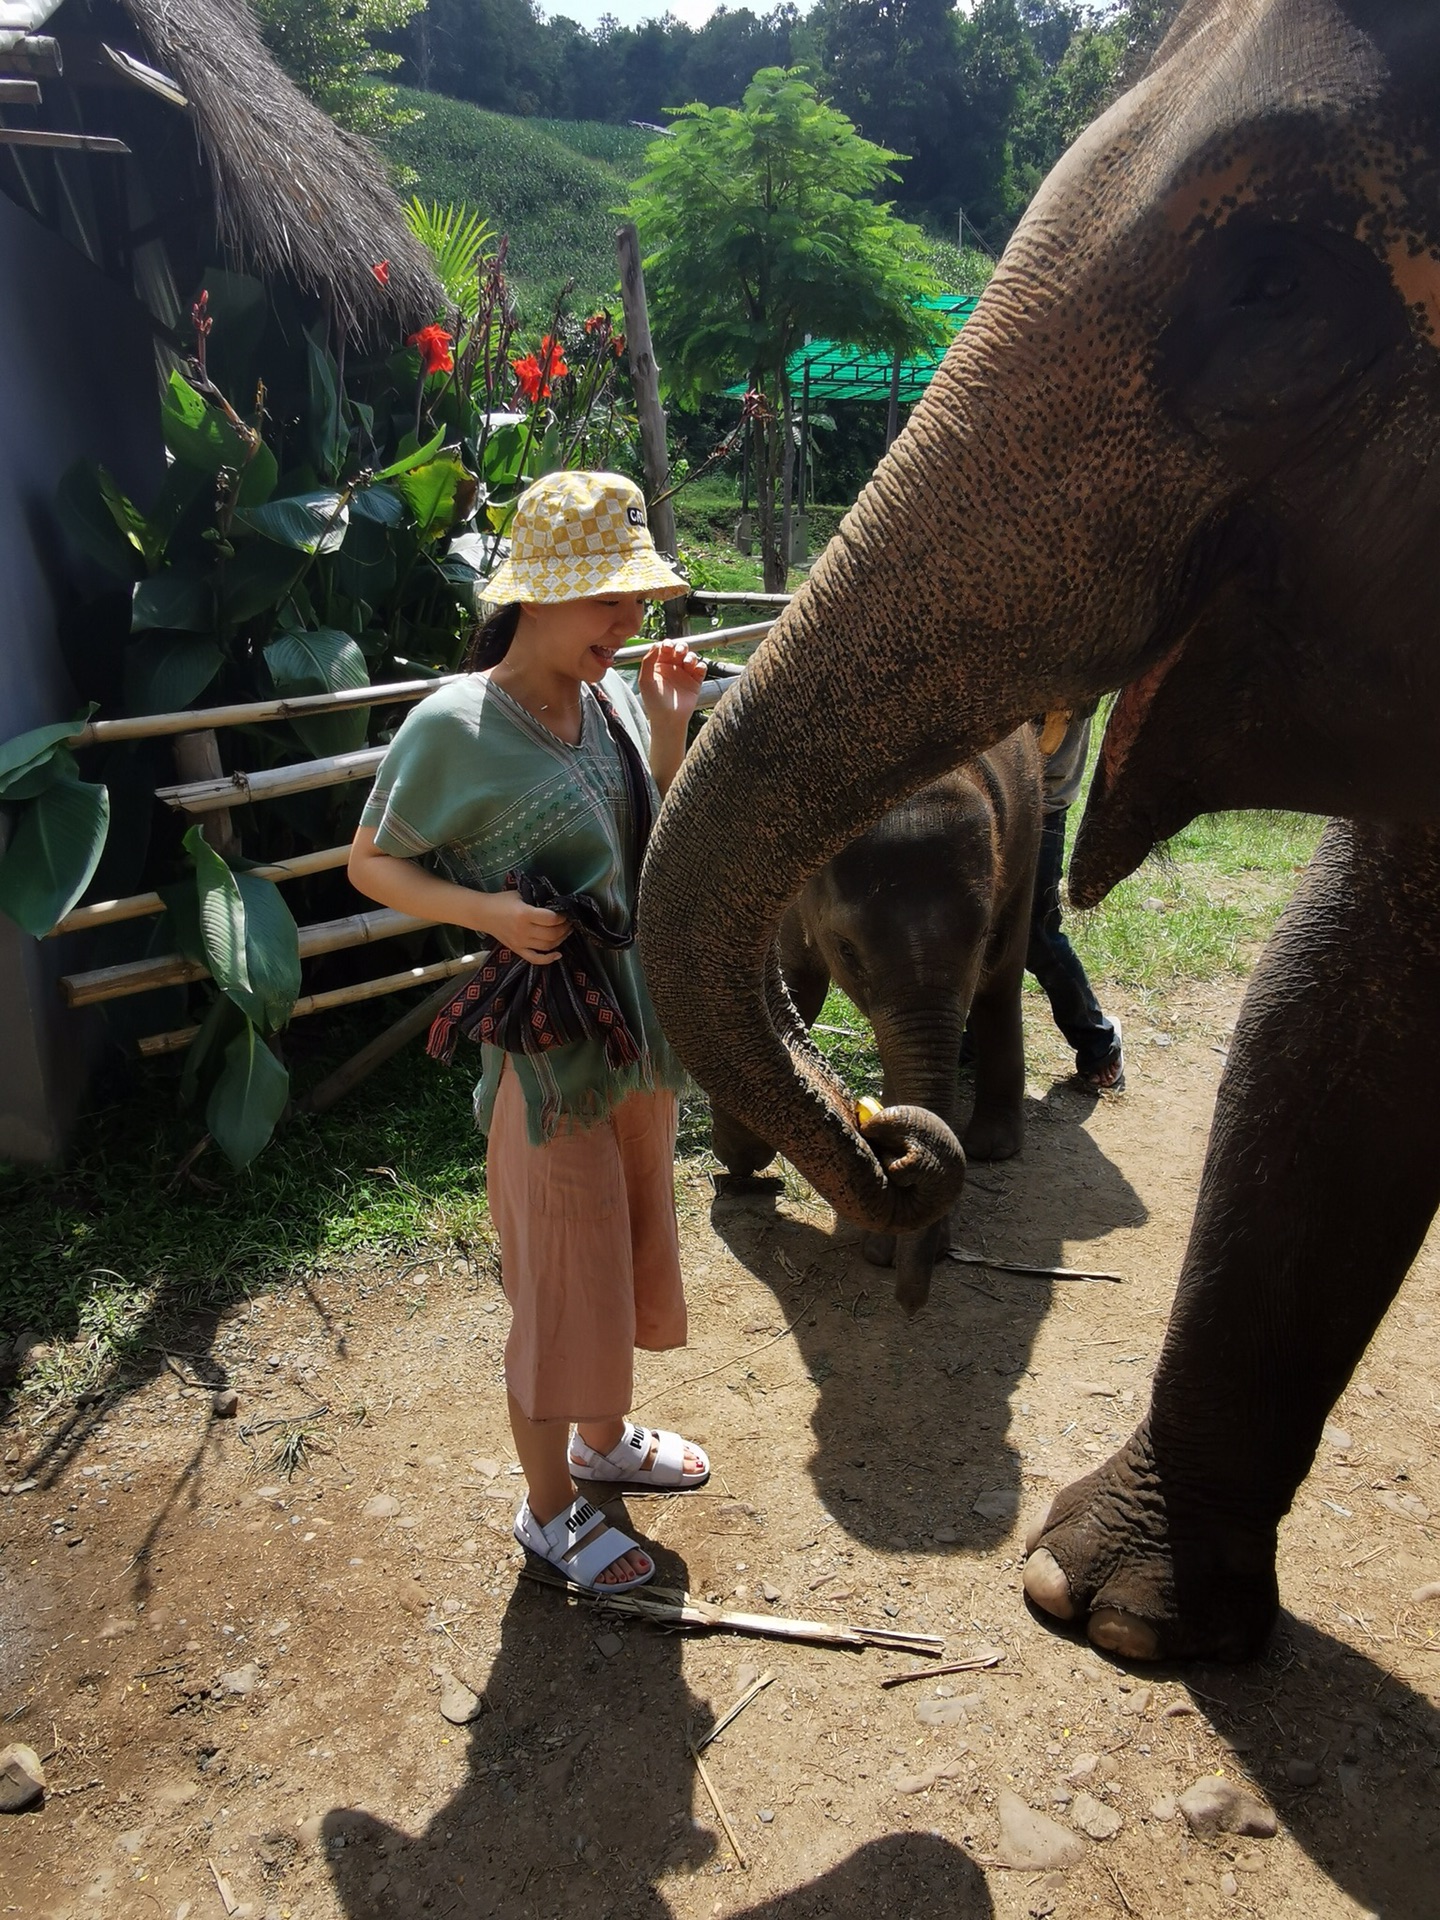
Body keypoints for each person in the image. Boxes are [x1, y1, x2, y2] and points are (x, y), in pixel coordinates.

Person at [348, 471, 709, 1593]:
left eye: (635, 599)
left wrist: (665, 732)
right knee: (560, 1281)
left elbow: (637, 846)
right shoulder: (452, 725)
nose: (629, 621)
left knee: (624, 1243)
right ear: (539, 599)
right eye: (607, 599)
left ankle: (603, 1444)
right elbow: (372, 864)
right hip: (547, 1056)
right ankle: (549, 1509)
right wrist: (491, 913)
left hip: (629, 1034)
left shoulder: (600, 704)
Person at [1028, 707, 1125, 1091]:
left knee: (1036, 934)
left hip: (1041, 802)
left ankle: (1100, 1042)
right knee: (986, 931)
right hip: (992, 800)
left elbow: (1068, 712)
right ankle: (979, 1039)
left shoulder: (1081, 652)